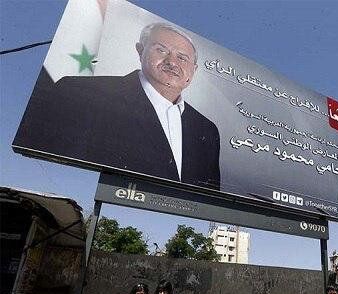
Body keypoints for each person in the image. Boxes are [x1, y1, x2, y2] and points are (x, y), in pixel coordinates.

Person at [14, 22, 220, 189]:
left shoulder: (206, 130)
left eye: (182, 58)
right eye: (161, 50)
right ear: (140, 51)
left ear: (194, 70)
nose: (172, 62)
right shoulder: (78, 92)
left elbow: (207, 197)